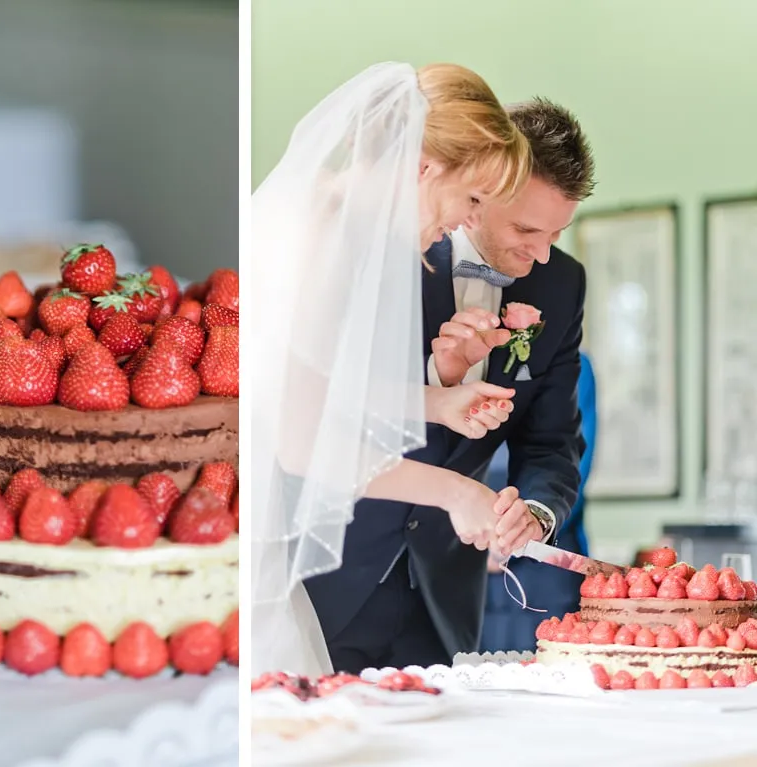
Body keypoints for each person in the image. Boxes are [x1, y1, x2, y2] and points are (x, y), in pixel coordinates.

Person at [252, 62, 541, 678]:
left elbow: (307, 388)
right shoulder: (319, 230)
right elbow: (302, 440)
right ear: (421, 167)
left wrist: (434, 405)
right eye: (470, 198)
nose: (467, 221)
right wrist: (456, 493)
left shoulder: (334, 217)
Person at [301, 95, 597, 674]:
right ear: (482, 191)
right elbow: (317, 410)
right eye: (525, 228)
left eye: (556, 234)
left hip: (444, 600)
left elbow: (553, 440)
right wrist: (439, 384)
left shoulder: (563, 285)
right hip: (330, 571)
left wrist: (533, 511)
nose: (540, 256)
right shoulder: (376, 244)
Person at [480, 352, 597, 652]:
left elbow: (572, 466)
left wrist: (518, 532)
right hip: (468, 555)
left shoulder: (572, 366)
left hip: (545, 561)